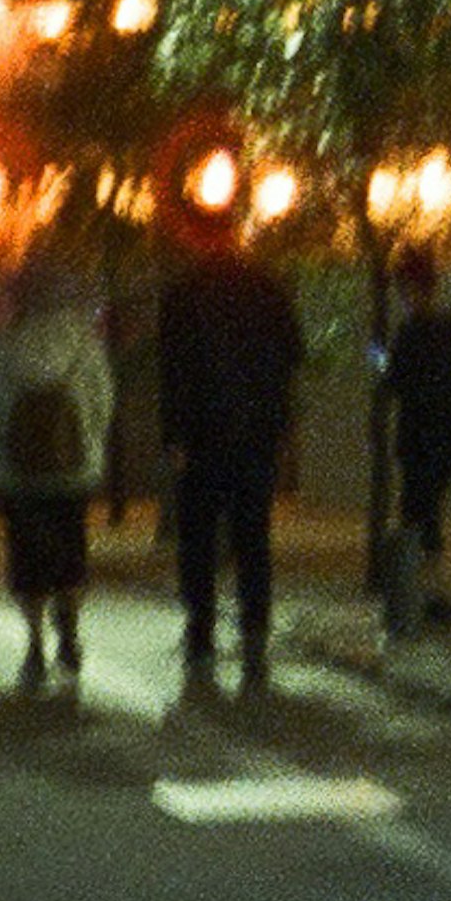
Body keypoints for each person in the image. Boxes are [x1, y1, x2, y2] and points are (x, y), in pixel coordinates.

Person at [155, 192, 306, 695]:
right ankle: (254, 631)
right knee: (252, 536)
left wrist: (172, 436)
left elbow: (171, 372)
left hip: (201, 436)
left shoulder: (183, 293)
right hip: (257, 434)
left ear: (199, 236)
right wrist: (283, 427)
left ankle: (200, 632)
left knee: (198, 538)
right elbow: (291, 359)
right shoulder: (267, 288)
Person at [0, 264, 114, 692]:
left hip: (18, 475)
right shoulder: (85, 343)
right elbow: (103, 404)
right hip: (73, 473)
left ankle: (34, 645)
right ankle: (70, 630)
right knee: (71, 551)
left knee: (26, 559)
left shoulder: (5, 345)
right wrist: (86, 447)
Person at [379, 247, 451, 618]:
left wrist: (377, 359)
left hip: (423, 438)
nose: (404, 296)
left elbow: (392, 382)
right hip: (444, 437)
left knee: (419, 507)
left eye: (404, 288)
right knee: (422, 508)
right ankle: (428, 590)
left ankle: (428, 591)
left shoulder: (412, 332)